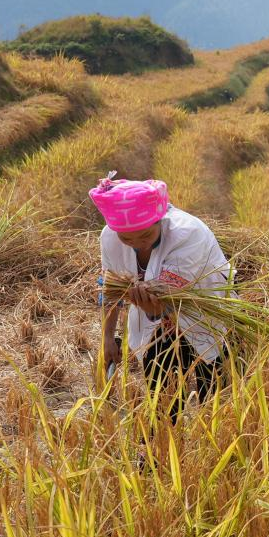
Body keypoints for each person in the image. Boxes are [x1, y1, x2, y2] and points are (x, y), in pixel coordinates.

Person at [90, 172, 231, 418]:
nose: (137, 244)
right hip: (158, 322)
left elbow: (167, 301)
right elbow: (110, 287)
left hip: (204, 313)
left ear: (160, 219)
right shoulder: (110, 236)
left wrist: (155, 310)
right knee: (162, 396)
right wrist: (108, 338)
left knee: (214, 395)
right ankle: (161, 449)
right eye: (127, 238)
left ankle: (211, 448)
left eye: (145, 235)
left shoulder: (188, 233)